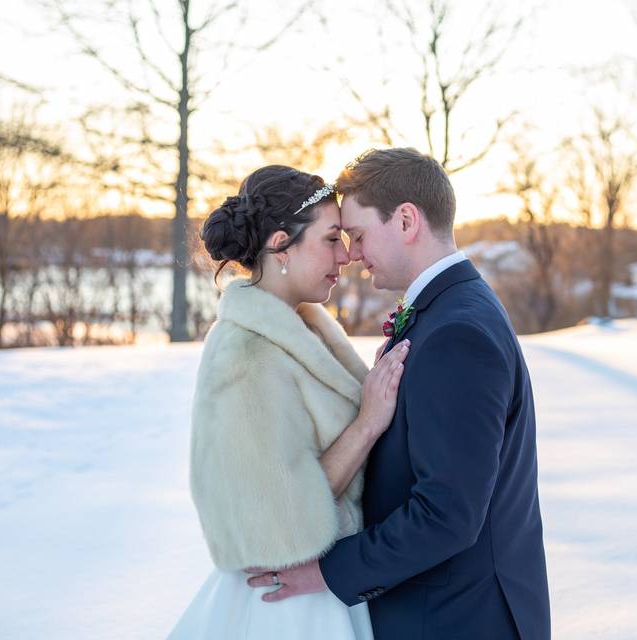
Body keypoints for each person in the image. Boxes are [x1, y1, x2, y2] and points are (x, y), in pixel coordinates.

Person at [247, 149, 551, 640]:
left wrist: (328, 573)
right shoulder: (447, 310)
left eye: (360, 234)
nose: (352, 253)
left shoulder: (457, 332)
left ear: (406, 219)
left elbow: (447, 514)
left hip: (457, 620)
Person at [168, 165, 409, 640]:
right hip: (286, 609)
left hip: (325, 591)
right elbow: (282, 518)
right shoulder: (248, 354)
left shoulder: (299, 331)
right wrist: (367, 423)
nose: (346, 256)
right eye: (331, 238)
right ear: (281, 245)